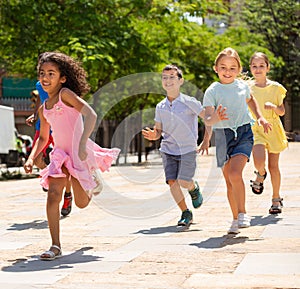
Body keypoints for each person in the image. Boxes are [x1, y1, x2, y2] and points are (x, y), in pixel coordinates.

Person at [24, 52, 120, 260]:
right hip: (59, 155)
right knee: (53, 195)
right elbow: (42, 138)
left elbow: (90, 114)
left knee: (82, 203)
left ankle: (93, 180)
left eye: (51, 73)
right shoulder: (43, 108)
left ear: (63, 78)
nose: (46, 77)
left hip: (78, 153)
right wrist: (32, 158)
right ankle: (55, 245)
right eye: (42, 73)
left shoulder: (65, 94)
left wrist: (84, 143)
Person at [142, 64, 227, 227]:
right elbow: (158, 130)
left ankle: (193, 188)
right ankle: (185, 212)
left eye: (172, 77)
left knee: (183, 180)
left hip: (187, 149)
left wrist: (207, 139)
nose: (168, 81)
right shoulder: (160, 106)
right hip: (168, 149)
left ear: (180, 81)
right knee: (172, 181)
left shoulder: (190, 102)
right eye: (164, 78)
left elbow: (207, 119)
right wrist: (154, 135)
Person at [202, 48, 272, 234]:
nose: (228, 71)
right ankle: (235, 218)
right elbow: (207, 120)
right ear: (216, 68)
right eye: (223, 67)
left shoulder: (242, 87)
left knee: (235, 173)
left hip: (243, 133)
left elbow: (251, 101)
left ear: (239, 69)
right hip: (222, 136)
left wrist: (260, 117)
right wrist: (213, 123)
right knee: (229, 181)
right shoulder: (212, 91)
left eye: (233, 68)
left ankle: (242, 213)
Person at [249, 52, 288, 214]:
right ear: (250, 68)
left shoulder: (276, 88)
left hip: (273, 128)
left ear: (267, 68)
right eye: (254, 66)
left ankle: (276, 199)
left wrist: (274, 107)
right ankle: (260, 174)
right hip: (256, 128)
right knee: (258, 160)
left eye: (261, 66)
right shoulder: (246, 88)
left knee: (274, 166)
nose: (258, 69)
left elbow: (282, 111)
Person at [26, 83, 73, 217]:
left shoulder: (62, 83)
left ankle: (68, 196)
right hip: (42, 126)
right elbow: (41, 100)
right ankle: (49, 174)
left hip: (59, 127)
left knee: (66, 166)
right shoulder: (39, 84)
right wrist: (35, 115)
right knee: (35, 159)